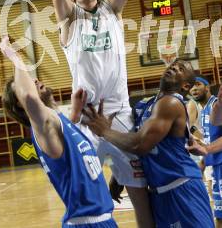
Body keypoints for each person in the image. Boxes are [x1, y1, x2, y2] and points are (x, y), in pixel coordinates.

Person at [49, 0, 154, 227]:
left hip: (120, 113)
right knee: (86, 199)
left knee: (140, 196)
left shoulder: (112, 10)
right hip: (85, 120)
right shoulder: (69, 20)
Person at [0, 37, 118, 228]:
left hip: (101, 220)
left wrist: (75, 113)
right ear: (21, 106)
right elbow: (28, 96)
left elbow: (67, 149)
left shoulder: (58, 123)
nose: (35, 80)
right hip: (87, 223)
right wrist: (12, 55)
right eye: (28, 82)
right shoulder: (41, 124)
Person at [83, 60, 215, 228]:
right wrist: (120, 175)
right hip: (159, 193)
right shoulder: (144, 105)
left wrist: (105, 131)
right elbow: (135, 144)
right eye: (173, 65)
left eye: (180, 69)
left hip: (182, 187)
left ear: (185, 86)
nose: (173, 67)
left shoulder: (171, 103)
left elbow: (141, 144)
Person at [188, 75, 222, 228]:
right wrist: (202, 164)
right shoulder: (204, 110)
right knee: (219, 215)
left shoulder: (217, 104)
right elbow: (209, 139)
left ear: (207, 87)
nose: (193, 89)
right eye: (191, 86)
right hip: (215, 166)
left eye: (197, 85)